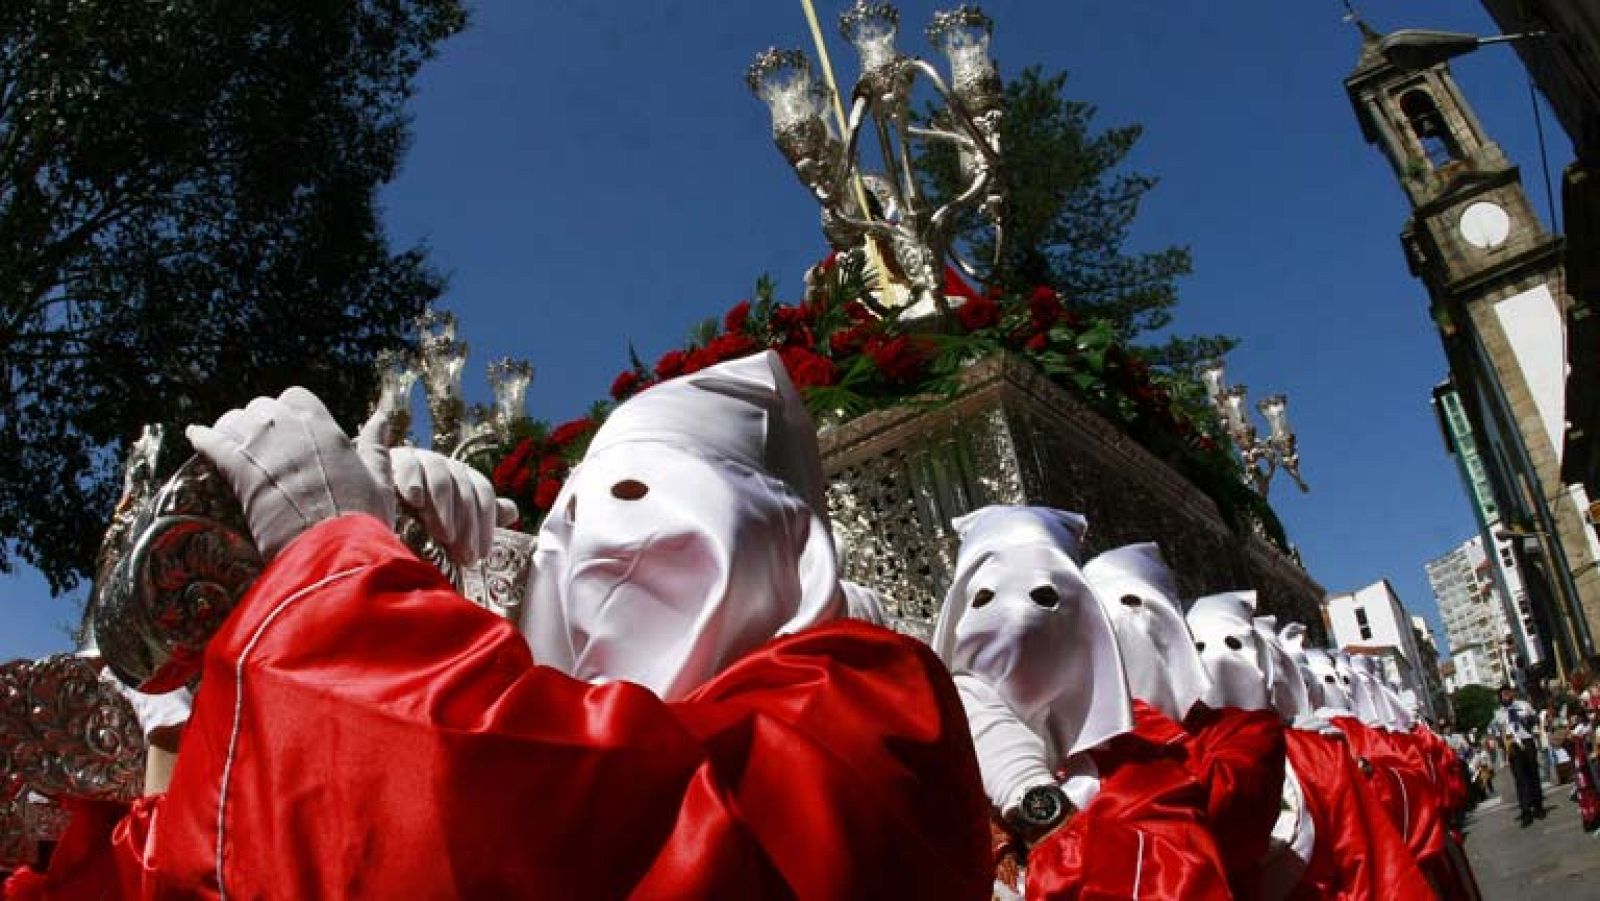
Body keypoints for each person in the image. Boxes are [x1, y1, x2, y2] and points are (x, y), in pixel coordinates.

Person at [59, 352, 994, 898]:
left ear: (793, 546)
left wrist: (335, 574)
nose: (594, 543)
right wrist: (225, 643)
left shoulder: (878, 698)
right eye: (570, 515)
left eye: (635, 495)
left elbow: (573, 828)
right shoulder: (547, 717)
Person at [932, 506, 1229, 900]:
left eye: (1044, 597)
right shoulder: (919, 762)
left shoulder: (1142, 775)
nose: (1017, 619)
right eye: (985, 598)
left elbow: (1187, 888)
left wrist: (1032, 795)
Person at [1084, 546, 1284, 901]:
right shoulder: (1074, 733)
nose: (1119, 625)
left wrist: (1133, 719)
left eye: (1132, 604)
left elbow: (1225, 815)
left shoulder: (1246, 731)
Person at [1491, 682, 1547, 827]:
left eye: (1508, 692)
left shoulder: (1523, 705)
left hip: (1527, 741)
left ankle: (1538, 805)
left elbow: (1536, 719)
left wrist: (1529, 721)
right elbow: (1497, 734)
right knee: (1520, 779)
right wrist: (1503, 747)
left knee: (1533, 775)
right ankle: (1526, 811)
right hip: (1513, 746)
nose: (1506, 696)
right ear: (1500, 698)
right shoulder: (1498, 714)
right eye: (1503, 694)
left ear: (1512, 693)